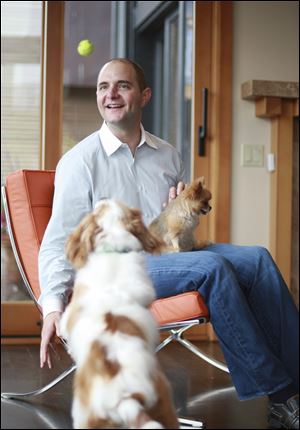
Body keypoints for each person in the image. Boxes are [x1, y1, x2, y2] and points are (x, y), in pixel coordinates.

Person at [38, 58, 299, 429]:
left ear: (143, 95)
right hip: (119, 268)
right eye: (102, 87)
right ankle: (282, 395)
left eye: (122, 86)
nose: (110, 94)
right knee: (212, 268)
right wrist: (51, 306)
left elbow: (176, 221)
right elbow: (56, 243)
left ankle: (296, 385)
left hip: (169, 253)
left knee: (257, 258)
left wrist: (180, 205)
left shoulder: (167, 154)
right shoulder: (79, 162)